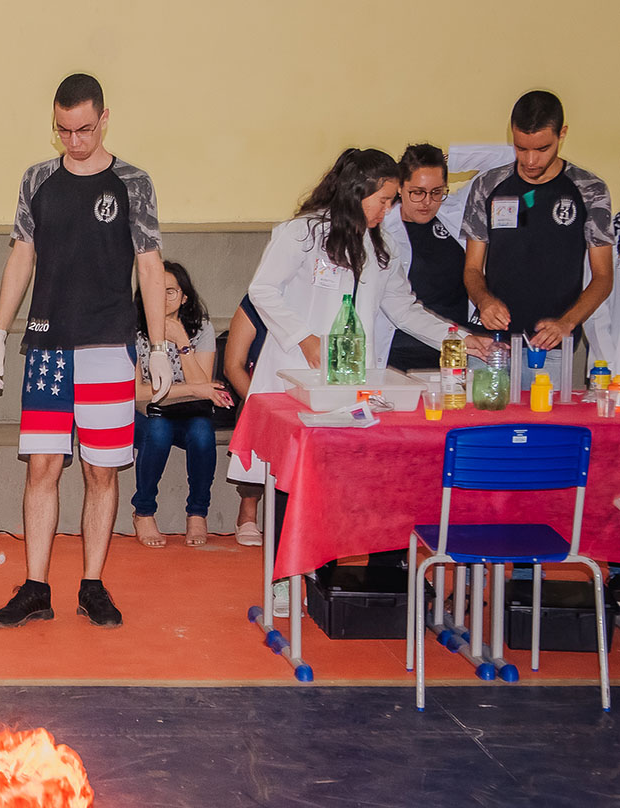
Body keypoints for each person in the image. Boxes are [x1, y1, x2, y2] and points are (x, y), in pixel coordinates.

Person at [238, 148, 486, 616]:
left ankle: (321, 570)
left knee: (337, 481)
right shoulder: (303, 233)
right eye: (385, 200)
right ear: (359, 192)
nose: (388, 210)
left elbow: (405, 310)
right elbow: (262, 289)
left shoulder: (378, 248)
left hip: (352, 385)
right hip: (296, 379)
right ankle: (281, 577)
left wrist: (463, 337)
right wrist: (304, 338)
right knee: (289, 483)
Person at [0, 73, 171, 629]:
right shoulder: (38, 178)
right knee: (41, 466)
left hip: (108, 346)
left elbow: (151, 263)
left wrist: (156, 345)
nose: (75, 140)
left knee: (101, 471)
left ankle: (92, 584)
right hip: (47, 345)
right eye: (64, 130)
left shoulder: (133, 182)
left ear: (104, 117)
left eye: (84, 129)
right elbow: (22, 255)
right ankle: (36, 587)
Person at [461, 90, 615, 388]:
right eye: (521, 148)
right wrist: (483, 300)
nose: (531, 160)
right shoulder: (488, 185)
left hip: (551, 347)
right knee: (486, 430)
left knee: (545, 431)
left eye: (542, 149)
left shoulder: (589, 189)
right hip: (490, 346)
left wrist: (567, 323)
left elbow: (603, 277)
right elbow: (472, 268)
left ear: (562, 134)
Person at [131, 260, 233, 548]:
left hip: (190, 414)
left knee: (202, 433)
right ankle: (144, 511)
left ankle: (198, 512)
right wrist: (191, 388)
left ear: (184, 297)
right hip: (146, 416)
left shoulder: (202, 329)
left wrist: (182, 343)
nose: (162, 299)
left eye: (171, 292)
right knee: (159, 430)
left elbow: (204, 390)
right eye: (155, 290)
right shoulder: (133, 330)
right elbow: (138, 394)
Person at [375, 144, 476, 372]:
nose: (427, 202)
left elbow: (510, 159)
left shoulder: (455, 214)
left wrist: (452, 158)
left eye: (437, 192)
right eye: (417, 192)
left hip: (454, 352)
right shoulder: (380, 227)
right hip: (397, 355)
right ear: (400, 187)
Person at [221, 295, 267, 547]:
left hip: (307, 392)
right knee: (253, 416)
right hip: (259, 394)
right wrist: (259, 404)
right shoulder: (255, 302)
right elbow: (232, 366)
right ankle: (248, 510)